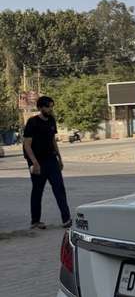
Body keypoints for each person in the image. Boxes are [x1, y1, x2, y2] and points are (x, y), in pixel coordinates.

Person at [22, 96, 72, 230]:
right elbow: (27, 145)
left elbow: (53, 140)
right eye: (48, 107)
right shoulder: (32, 122)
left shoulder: (51, 120)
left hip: (51, 160)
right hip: (37, 161)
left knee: (59, 188)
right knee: (37, 191)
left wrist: (59, 158)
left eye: (51, 106)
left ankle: (66, 219)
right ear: (40, 108)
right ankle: (35, 221)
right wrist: (34, 163)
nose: (50, 109)